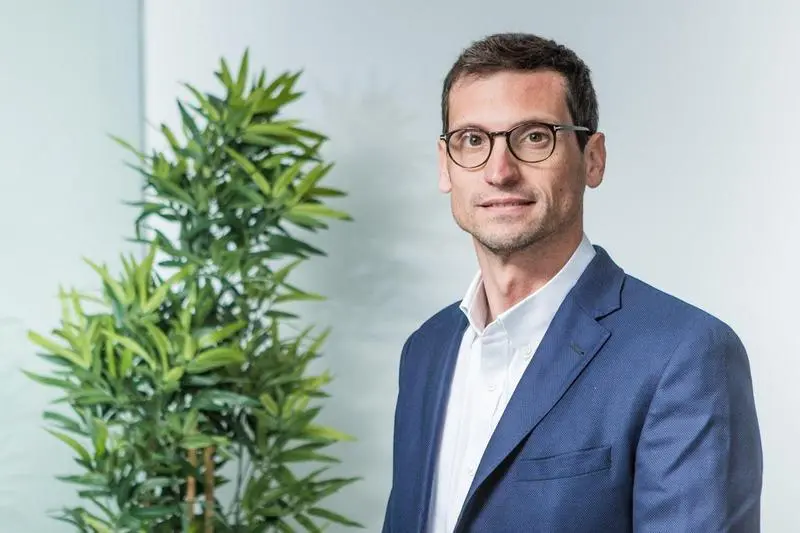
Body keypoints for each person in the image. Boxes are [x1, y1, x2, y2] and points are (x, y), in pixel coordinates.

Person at [381, 32, 762, 533]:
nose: (499, 171)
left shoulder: (685, 355)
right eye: (472, 140)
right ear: (445, 166)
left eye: (534, 137)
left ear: (593, 158)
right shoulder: (425, 351)